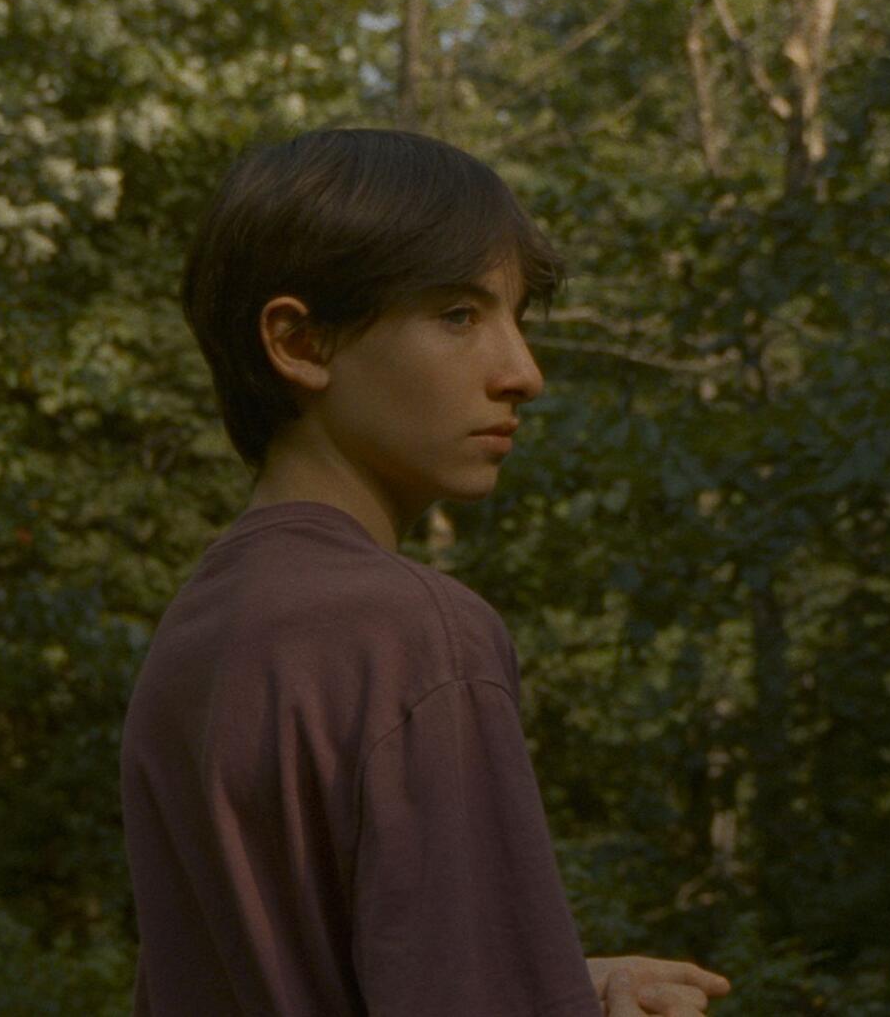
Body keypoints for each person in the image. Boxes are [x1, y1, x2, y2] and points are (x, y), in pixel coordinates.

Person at [120, 127, 731, 1016]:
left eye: (516, 320)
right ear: (300, 342)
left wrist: (560, 982)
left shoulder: (198, 632)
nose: (523, 374)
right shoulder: (412, 634)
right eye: (457, 316)